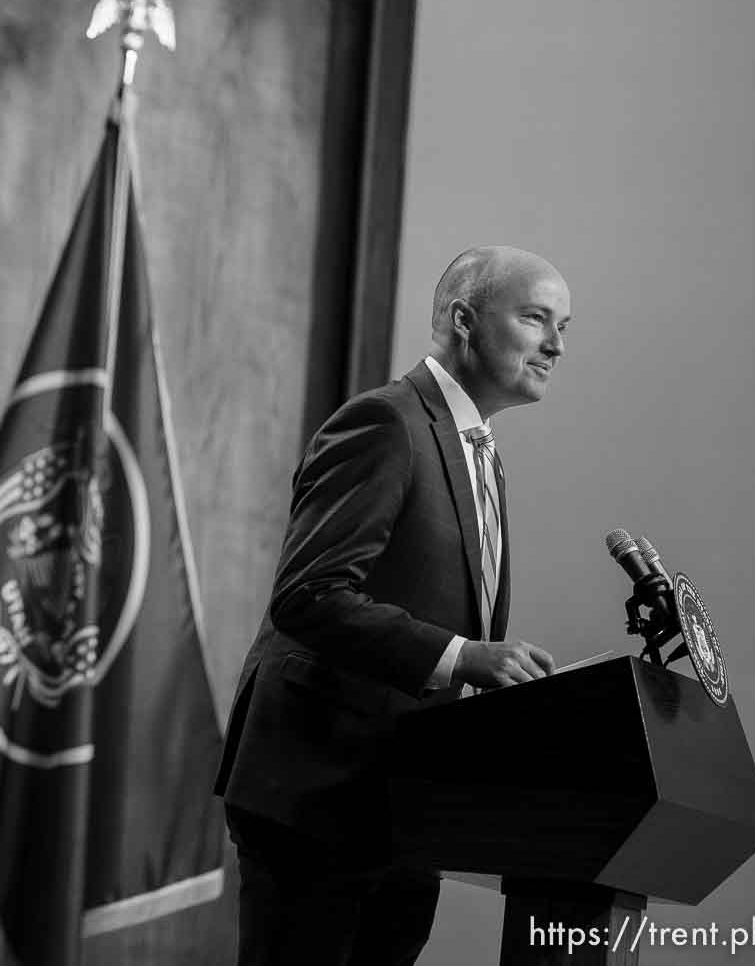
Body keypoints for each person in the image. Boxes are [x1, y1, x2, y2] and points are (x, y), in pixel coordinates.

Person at [211, 245, 572, 965]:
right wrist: (464, 656)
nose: (556, 345)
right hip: (318, 793)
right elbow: (308, 594)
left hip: (403, 805)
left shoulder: (480, 451)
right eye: (536, 319)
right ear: (464, 320)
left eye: (564, 326)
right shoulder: (386, 422)